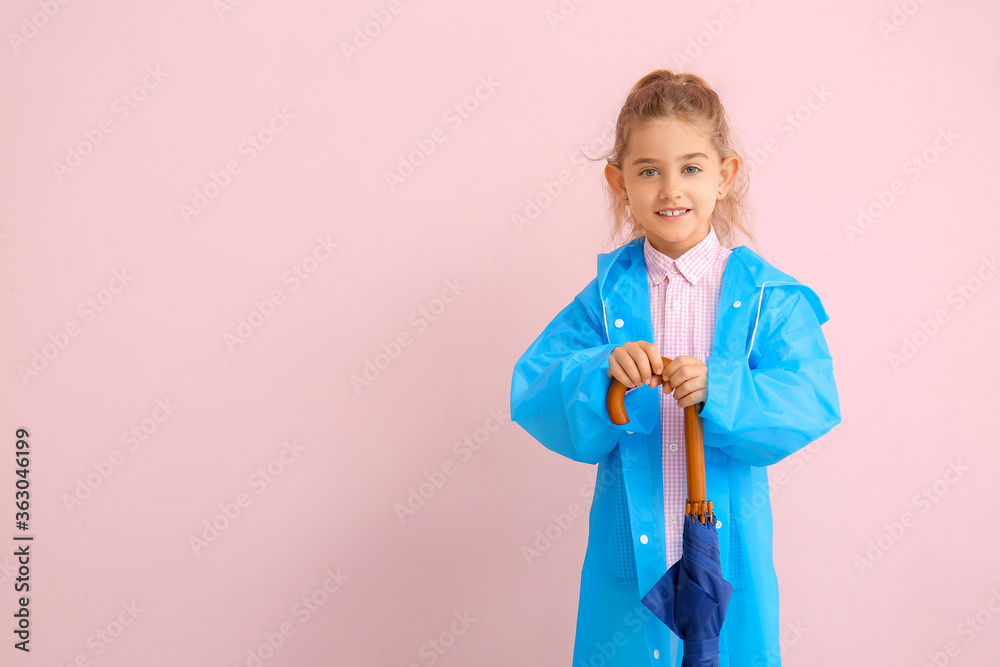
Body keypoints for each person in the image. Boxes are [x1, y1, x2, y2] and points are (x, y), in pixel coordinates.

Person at [509, 70, 841, 666]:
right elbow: (535, 387)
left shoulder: (769, 296)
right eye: (647, 170)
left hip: (727, 549)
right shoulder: (607, 298)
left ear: (725, 175)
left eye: (690, 167)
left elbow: (810, 398)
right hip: (632, 549)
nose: (670, 190)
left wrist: (725, 390)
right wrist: (599, 370)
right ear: (619, 183)